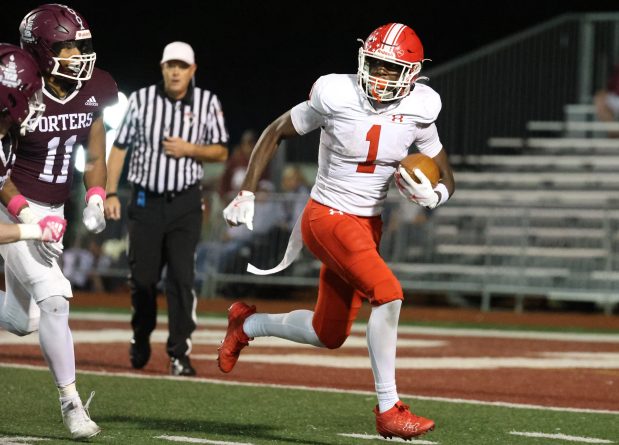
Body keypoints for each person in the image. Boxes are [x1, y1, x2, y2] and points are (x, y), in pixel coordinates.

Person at [218, 23, 455, 440]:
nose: (380, 76)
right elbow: (274, 131)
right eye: (376, 65)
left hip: (368, 225)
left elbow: (447, 173)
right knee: (390, 293)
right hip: (327, 217)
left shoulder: (422, 106)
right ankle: (389, 407)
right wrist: (247, 193)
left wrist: (434, 195)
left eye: (391, 68)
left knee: (327, 334)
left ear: (413, 74)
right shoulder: (335, 94)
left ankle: (246, 325)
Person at [0, 4, 118, 440]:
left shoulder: (95, 87)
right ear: (44, 51)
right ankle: (70, 403)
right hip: (13, 204)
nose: (79, 54)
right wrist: (27, 215)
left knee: (21, 320)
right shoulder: (20, 92)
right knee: (54, 299)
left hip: (55, 210)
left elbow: (95, 153)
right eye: (68, 46)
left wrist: (95, 195)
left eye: (81, 45)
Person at [104, 41, 229, 377]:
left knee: (181, 278)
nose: (175, 71)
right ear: (162, 68)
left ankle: (179, 353)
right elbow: (119, 148)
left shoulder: (207, 102)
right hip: (145, 200)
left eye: (181, 66)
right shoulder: (142, 100)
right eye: (170, 65)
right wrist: (111, 192)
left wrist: (191, 149)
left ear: (192, 70)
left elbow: (220, 152)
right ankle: (141, 334)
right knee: (142, 280)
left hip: (186, 202)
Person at [0, 43, 67, 244]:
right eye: (30, 95)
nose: (35, 103)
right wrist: (36, 231)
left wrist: (31, 217)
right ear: (10, 97)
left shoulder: (7, 139)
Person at [593, 64, 619, 137]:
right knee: (599, 97)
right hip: (616, 97)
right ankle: (614, 131)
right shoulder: (617, 68)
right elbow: (610, 87)